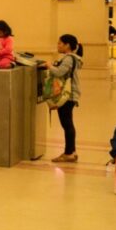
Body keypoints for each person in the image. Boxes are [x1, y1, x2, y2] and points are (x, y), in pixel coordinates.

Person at [40, 34, 83, 163]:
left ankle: (68, 153)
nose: (58, 46)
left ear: (67, 45)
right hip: (71, 94)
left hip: (67, 95)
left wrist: (49, 66)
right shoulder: (72, 58)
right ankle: (72, 151)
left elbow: (59, 73)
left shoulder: (69, 59)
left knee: (67, 124)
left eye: (60, 43)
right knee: (68, 123)